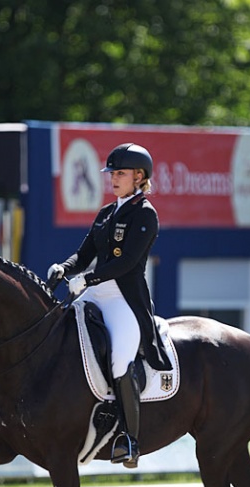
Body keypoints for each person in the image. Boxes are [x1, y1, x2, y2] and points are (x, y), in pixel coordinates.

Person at [48, 143, 172, 468]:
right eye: (112, 173)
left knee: (119, 363)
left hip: (123, 300)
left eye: (120, 173)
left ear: (139, 177)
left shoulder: (145, 214)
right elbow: (84, 253)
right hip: (93, 293)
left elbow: (127, 262)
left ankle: (130, 440)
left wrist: (87, 280)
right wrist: (65, 267)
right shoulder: (106, 213)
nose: (113, 179)